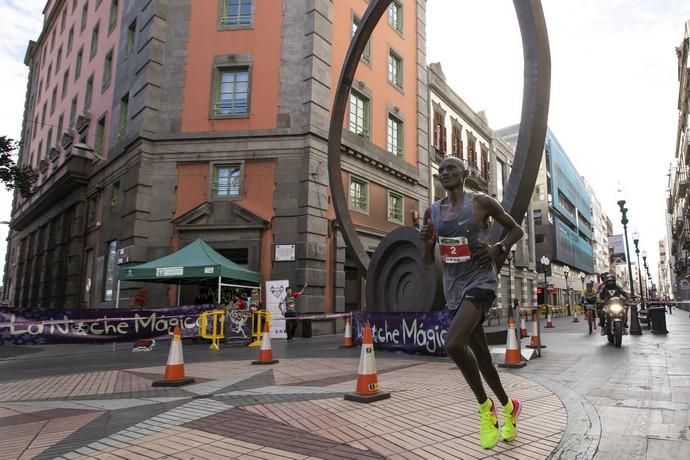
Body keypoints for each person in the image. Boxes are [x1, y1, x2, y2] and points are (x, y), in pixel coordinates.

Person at [420, 157, 524, 450]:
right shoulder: (433, 212)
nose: (445, 173)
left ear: (465, 174)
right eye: (441, 170)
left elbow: (516, 230)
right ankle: (508, 406)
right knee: (482, 357)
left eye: (452, 168)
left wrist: (498, 247)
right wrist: (427, 247)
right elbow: (428, 264)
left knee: (453, 344)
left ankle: (485, 408)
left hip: (480, 282)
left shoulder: (480, 203)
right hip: (453, 288)